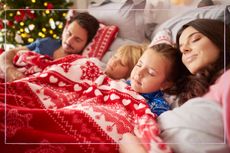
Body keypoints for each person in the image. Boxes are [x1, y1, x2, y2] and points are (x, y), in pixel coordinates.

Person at [119, 19, 230, 153]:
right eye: (182, 49)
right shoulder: (199, 91)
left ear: (221, 38)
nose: (184, 49)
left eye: (195, 39)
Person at [0, 12, 99, 82]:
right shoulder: (46, 43)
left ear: (87, 43)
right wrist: (10, 70)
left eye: (77, 40)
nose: (68, 41)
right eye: (68, 33)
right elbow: (9, 53)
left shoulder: (81, 65)